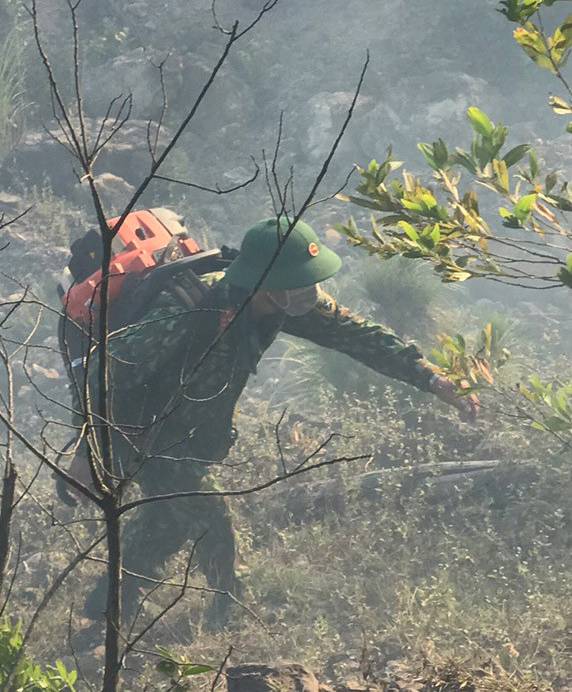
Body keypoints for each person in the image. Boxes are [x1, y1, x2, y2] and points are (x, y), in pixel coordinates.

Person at [69, 216, 479, 626]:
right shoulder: (189, 307)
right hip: (141, 430)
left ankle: (110, 597)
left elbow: (355, 334)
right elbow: (100, 373)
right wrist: (89, 450)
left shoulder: (279, 302)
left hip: (192, 435)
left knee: (168, 521)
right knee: (209, 513)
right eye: (297, 283)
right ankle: (227, 613)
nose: (308, 293)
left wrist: (431, 377)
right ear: (262, 281)